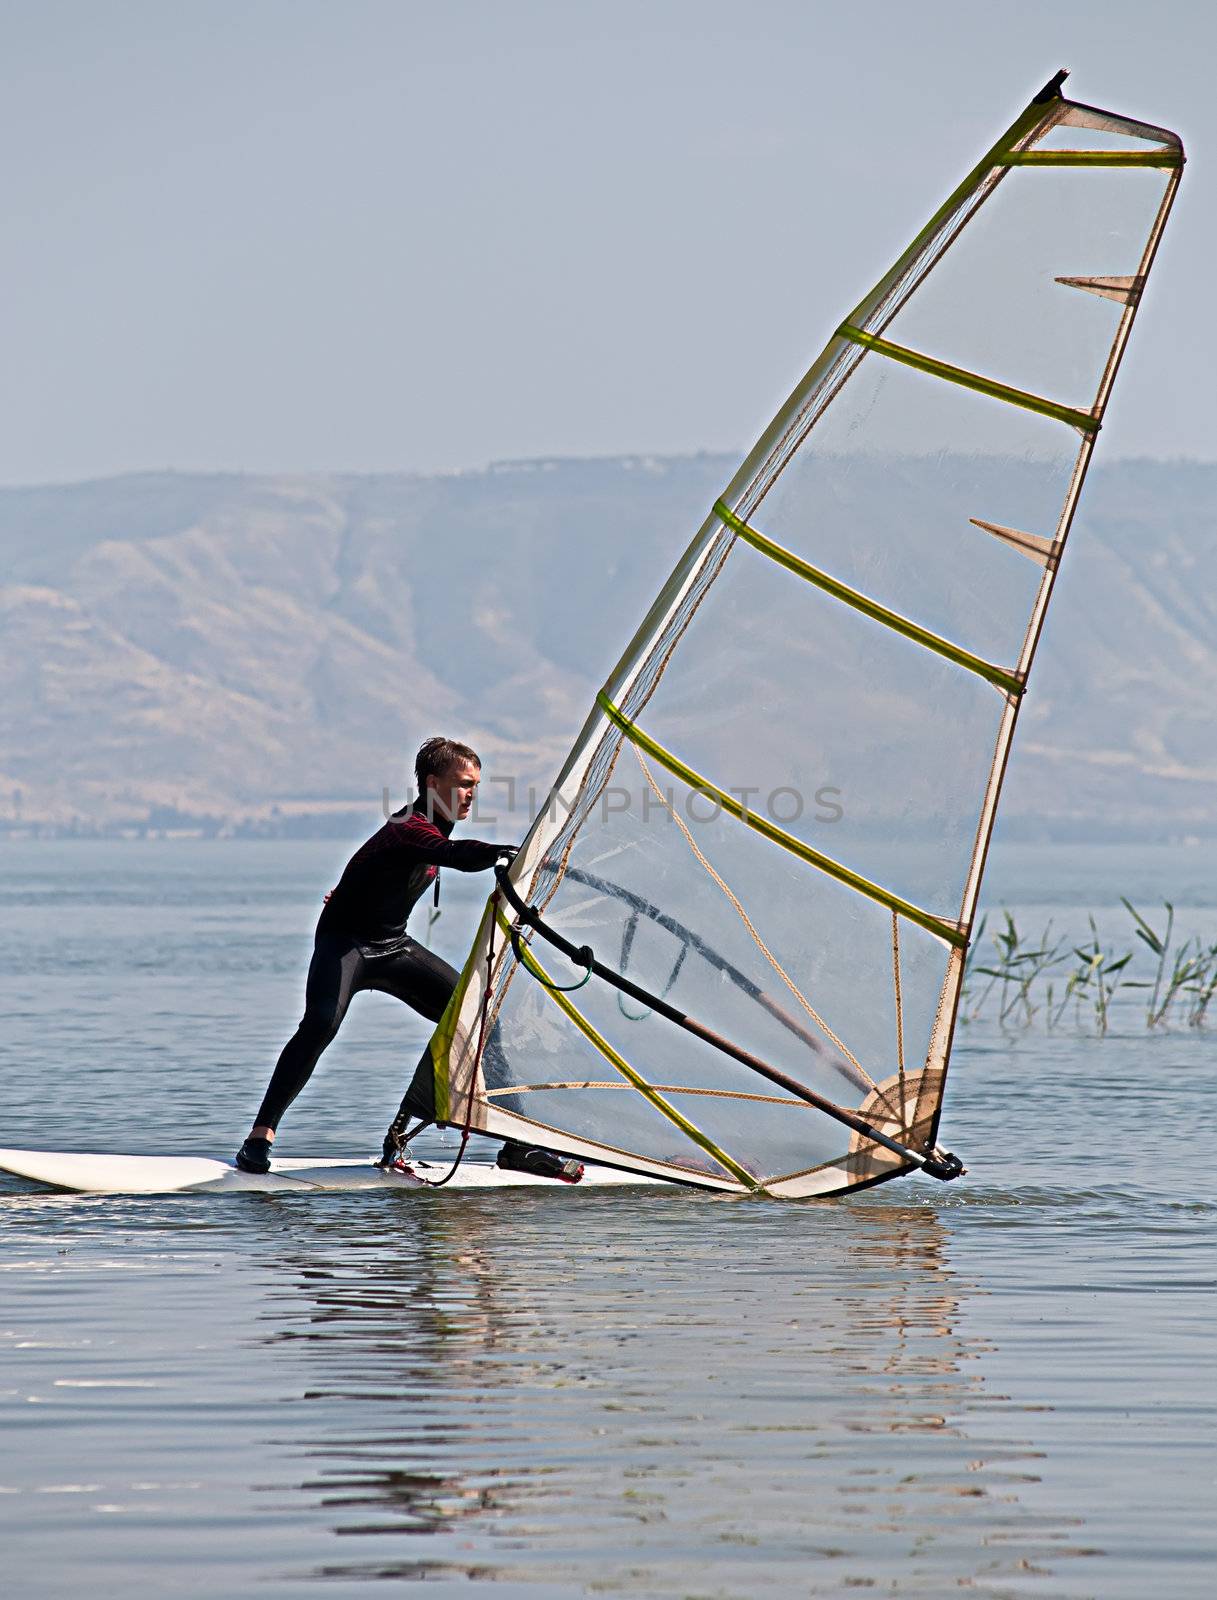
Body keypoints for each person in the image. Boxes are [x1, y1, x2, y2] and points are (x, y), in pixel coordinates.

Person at [235, 736, 582, 1183]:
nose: (471, 794)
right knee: (320, 1023)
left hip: (393, 945)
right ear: (432, 783)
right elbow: (449, 854)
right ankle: (259, 1138)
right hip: (346, 945)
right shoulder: (409, 827)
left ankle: (516, 1145)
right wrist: (501, 852)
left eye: (475, 784)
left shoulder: (439, 823)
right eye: (462, 784)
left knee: (476, 1020)